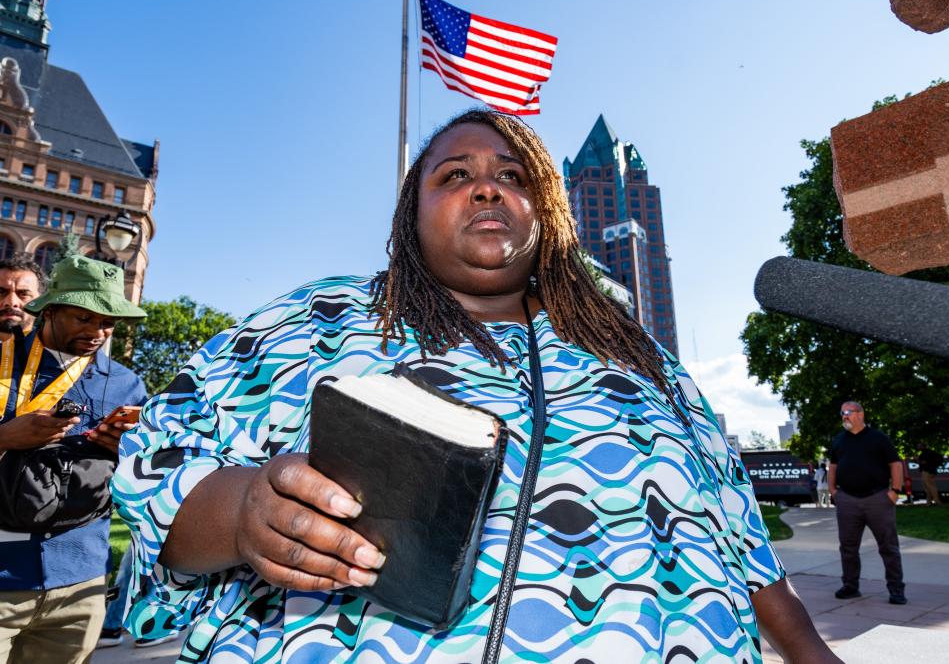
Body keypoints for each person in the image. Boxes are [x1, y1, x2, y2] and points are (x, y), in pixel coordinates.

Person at [114, 109, 839, 663]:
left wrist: (815, 655)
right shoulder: (319, 318)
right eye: (454, 174)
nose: (487, 184)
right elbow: (156, 463)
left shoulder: (642, 356)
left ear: (548, 210)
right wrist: (245, 509)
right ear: (412, 212)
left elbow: (740, 532)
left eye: (513, 175)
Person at [0, 255, 148, 663]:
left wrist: (127, 451)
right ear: (49, 309)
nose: (97, 331)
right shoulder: (3, 362)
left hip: (79, 581)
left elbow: (146, 473)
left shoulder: (128, 385)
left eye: (108, 322)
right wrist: (7, 436)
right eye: (83, 317)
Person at [827, 401, 906, 605]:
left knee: (888, 547)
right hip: (847, 500)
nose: (844, 416)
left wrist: (895, 491)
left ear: (860, 414)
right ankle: (850, 586)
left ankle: (896, 589)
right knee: (848, 547)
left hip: (878, 499)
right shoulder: (838, 441)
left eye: (848, 412)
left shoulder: (878, 438)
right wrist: (834, 492)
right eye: (842, 413)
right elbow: (833, 467)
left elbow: (895, 464)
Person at [0, 254, 44, 342]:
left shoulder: (55, 355)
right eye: (1, 292)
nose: (12, 302)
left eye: (23, 294)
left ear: (40, 301)